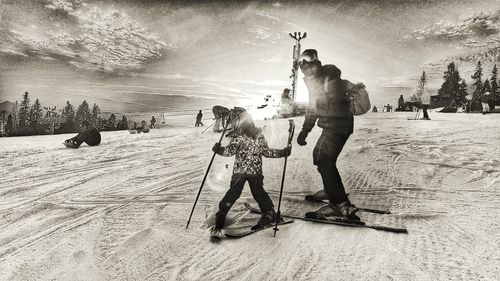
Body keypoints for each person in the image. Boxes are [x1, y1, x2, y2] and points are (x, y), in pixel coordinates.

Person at [296, 49, 360, 221]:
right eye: (304, 69)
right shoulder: (314, 82)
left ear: (317, 64)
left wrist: (328, 100)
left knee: (324, 159)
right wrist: (304, 131)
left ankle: (339, 204)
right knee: (320, 157)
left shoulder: (328, 76)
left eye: (310, 66)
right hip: (335, 125)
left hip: (337, 125)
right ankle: (330, 189)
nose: (308, 71)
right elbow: (312, 108)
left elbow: (335, 96)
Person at [210, 107, 291, 238]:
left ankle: (221, 215)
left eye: (234, 121)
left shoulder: (239, 136)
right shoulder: (257, 135)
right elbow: (267, 152)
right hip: (254, 172)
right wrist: (282, 153)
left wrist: (219, 150)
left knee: (234, 193)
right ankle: (268, 212)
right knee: (258, 192)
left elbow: (230, 152)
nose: (232, 123)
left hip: (240, 172)